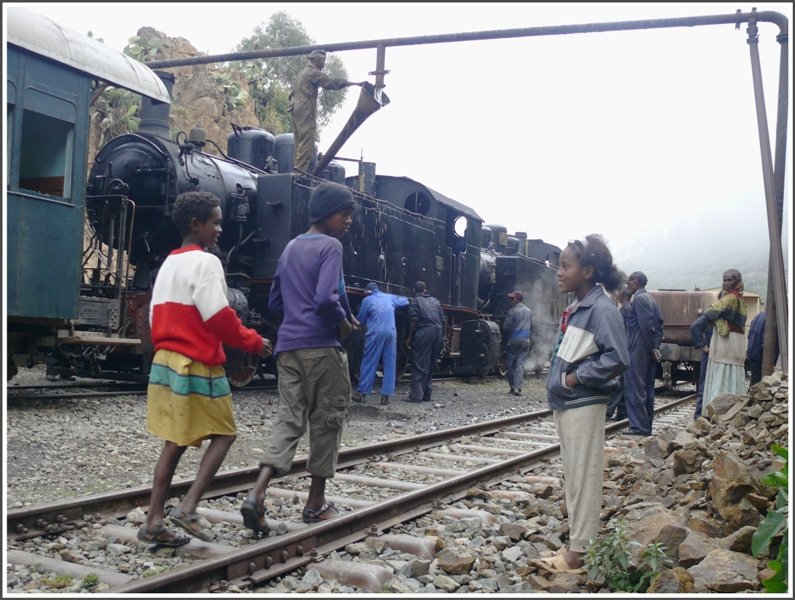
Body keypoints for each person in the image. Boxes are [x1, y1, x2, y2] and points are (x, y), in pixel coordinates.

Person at [138, 191, 272, 547]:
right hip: (197, 363)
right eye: (214, 222)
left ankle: (154, 520)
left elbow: (154, 316)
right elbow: (218, 316)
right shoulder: (207, 262)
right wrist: (253, 341)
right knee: (225, 433)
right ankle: (188, 506)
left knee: (175, 441)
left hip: (165, 362)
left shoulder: (169, 262)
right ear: (195, 225)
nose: (219, 229)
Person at [241, 181, 359, 536]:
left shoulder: (291, 246)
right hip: (322, 348)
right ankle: (315, 503)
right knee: (327, 420)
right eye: (345, 213)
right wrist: (341, 323)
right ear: (327, 214)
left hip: (287, 349)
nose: (349, 221)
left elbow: (276, 302)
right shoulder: (331, 246)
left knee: (289, 419)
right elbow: (326, 298)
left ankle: (257, 492)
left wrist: (296, 317)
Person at [531, 235, 629, 575]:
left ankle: (578, 556)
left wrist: (574, 379)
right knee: (574, 477)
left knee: (584, 477)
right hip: (570, 404)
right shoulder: (581, 307)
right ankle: (577, 544)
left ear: (588, 271)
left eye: (566, 266)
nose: (559, 273)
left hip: (583, 402)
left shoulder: (601, 310)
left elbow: (617, 358)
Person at [290, 49, 363, 172]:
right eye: (323, 61)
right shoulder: (313, 73)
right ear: (318, 60)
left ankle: (297, 170)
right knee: (306, 145)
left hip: (296, 111)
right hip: (306, 112)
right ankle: (298, 174)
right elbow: (331, 83)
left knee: (299, 143)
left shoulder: (301, 73)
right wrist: (353, 83)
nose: (324, 64)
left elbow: (292, 93)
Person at [353, 282, 409, 406]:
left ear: (367, 292)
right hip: (391, 333)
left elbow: (360, 319)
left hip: (376, 332)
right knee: (390, 363)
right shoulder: (388, 297)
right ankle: (386, 397)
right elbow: (405, 301)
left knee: (369, 361)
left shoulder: (367, 300)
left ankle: (362, 394)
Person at [623, 271, 663, 437]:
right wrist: (655, 347)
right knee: (647, 388)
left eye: (629, 282)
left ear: (636, 282)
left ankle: (638, 428)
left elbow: (645, 326)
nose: (627, 285)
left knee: (635, 387)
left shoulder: (639, 299)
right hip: (647, 347)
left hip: (638, 347)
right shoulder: (651, 299)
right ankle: (646, 427)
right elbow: (659, 324)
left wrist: (651, 348)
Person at [701, 269, 748, 408]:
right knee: (731, 372)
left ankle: (718, 408)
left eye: (729, 280)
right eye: (724, 280)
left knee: (722, 370)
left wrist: (719, 320)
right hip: (735, 343)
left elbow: (710, 312)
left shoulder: (730, 298)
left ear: (738, 281)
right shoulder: (739, 298)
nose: (726, 283)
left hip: (726, 342)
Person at [405, 281, 445, 403]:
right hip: (438, 332)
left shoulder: (415, 300)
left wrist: (409, 337)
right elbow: (443, 318)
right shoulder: (436, 301)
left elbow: (413, 320)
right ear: (425, 290)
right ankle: (427, 395)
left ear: (414, 290)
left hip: (424, 332)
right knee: (431, 364)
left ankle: (416, 396)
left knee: (419, 363)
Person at [606, 287, 632, 421]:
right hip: (627, 349)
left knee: (619, 382)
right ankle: (622, 412)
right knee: (624, 382)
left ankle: (608, 410)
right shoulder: (628, 308)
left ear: (622, 296)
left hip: (623, 349)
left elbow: (622, 331)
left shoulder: (624, 310)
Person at [503, 290, 534, 396]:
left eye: (512, 298)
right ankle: (518, 388)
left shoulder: (512, 311)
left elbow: (506, 327)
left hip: (514, 341)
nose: (510, 300)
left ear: (518, 299)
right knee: (520, 365)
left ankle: (512, 388)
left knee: (510, 365)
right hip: (525, 341)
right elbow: (532, 326)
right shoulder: (528, 311)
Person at [746, 310, 778, 386]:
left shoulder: (759, 315)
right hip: (761, 356)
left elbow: (749, 334)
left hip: (752, 353)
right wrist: (772, 360)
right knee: (761, 384)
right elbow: (766, 341)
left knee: (754, 382)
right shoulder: (772, 319)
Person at [690, 312, 712, 419]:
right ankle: (698, 416)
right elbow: (694, 327)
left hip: (715, 354)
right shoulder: (712, 314)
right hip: (709, 355)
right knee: (703, 386)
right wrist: (702, 345)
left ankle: (702, 415)